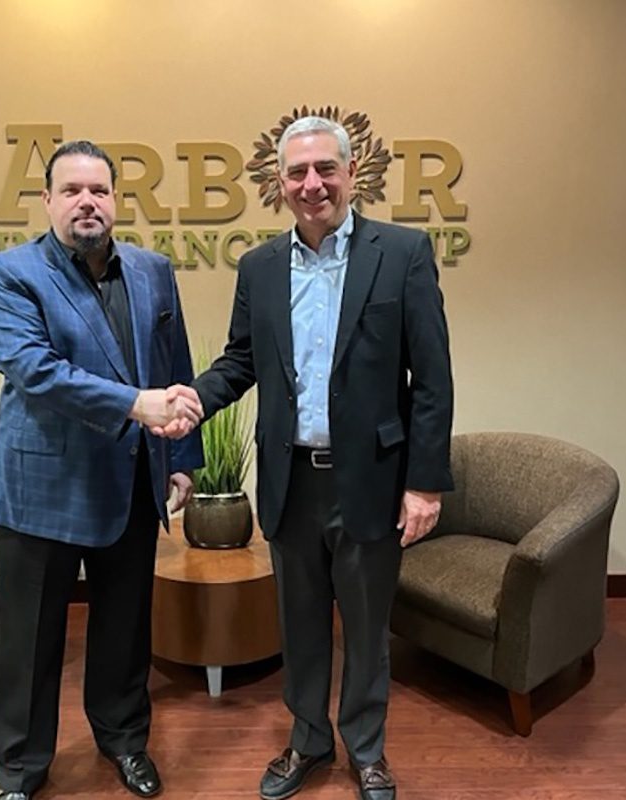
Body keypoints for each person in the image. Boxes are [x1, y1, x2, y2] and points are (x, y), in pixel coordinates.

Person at [162, 116, 454, 800]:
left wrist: (425, 484)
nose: (311, 183)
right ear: (280, 183)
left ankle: (368, 750)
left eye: (325, 169)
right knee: (301, 626)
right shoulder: (260, 267)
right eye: (297, 173)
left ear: (352, 175)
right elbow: (241, 360)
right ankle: (307, 741)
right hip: (291, 481)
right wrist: (195, 399)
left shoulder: (403, 254)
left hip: (373, 483)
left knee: (366, 627)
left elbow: (432, 380)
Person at [0, 140, 204, 800]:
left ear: (115, 200)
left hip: (131, 480)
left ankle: (125, 741)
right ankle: (18, 772)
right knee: (30, 640)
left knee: (125, 629)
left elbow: (174, 363)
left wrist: (182, 455)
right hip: (39, 487)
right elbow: (36, 370)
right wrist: (138, 405)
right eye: (72, 190)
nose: (87, 201)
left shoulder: (153, 270)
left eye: (99, 190)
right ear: (47, 200)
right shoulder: (6, 274)